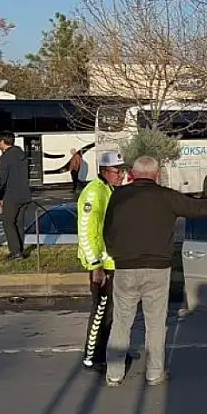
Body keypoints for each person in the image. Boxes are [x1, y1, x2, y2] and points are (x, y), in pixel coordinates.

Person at [102, 156, 207, 387]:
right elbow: (201, 208)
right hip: (157, 269)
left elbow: (107, 230)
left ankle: (114, 374)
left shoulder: (118, 195)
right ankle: (154, 373)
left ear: (134, 174)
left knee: (121, 322)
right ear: (157, 175)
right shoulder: (166, 197)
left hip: (126, 268)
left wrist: (116, 254)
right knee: (156, 323)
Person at [77, 151, 128, 373]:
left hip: (112, 263)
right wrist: (95, 265)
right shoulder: (94, 192)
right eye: (117, 171)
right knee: (101, 312)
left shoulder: (109, 190)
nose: (121, 175)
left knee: (111, 313)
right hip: (102, 266)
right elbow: (87, 232)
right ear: (104, 171)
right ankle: (92, 357)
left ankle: (106, 351)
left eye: (122, 170)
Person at [0, 131, 32, 260]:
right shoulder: (22, 155)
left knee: (8, 222)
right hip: (25, 194)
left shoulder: (4, 158)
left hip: (11, 195)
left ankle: (15, 252)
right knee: (19, 223)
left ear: (3, 142)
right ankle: (20, 249)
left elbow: (1, 180)